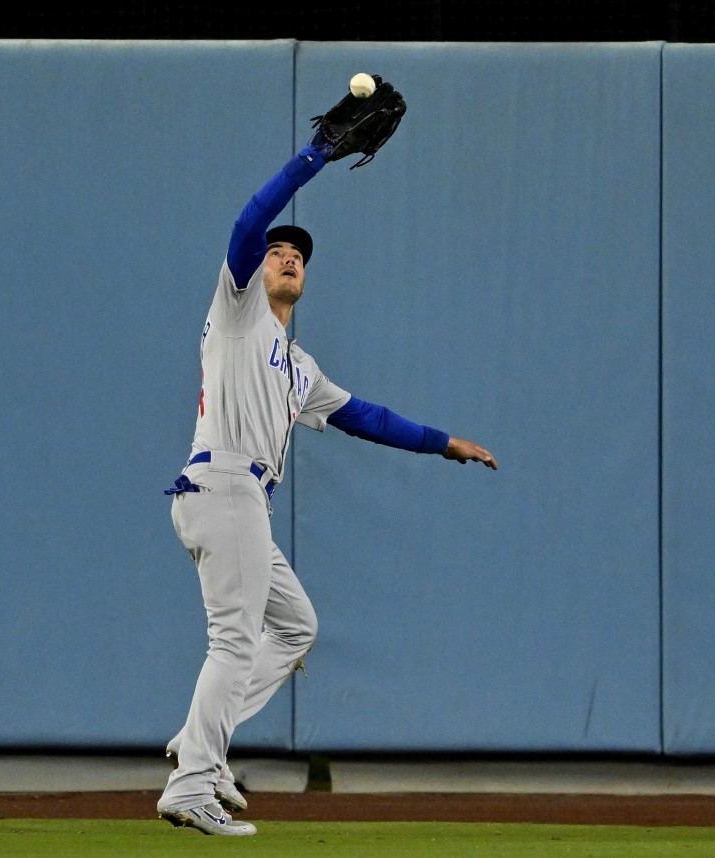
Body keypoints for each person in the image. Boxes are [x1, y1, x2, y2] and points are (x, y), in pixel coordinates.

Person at [155, 131, 497, 837]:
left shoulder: (298, 365)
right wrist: (315, 156)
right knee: (233, 643)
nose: (288, 257)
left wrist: (444, 445)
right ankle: (192, 781)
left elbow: (364, 416)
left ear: (307, 280)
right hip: (223, 486)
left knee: (295, 626)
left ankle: (200, 746)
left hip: (232, 500)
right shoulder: (239, 307)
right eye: (281, 251)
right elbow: (249, 223)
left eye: (299, 256)